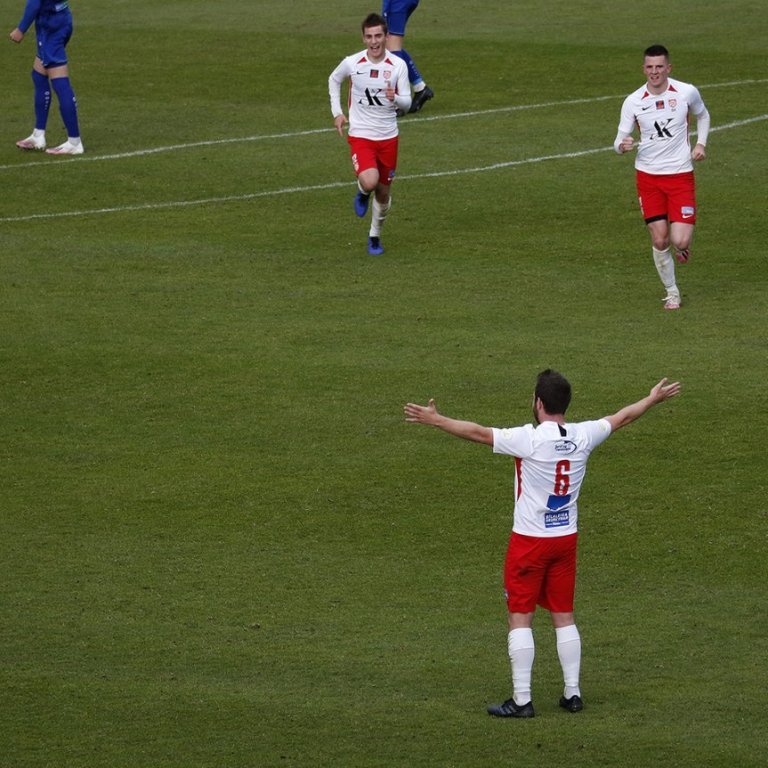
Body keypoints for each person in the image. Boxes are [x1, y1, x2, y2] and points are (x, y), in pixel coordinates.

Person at [404, 370, 681, 718]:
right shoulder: (584, 435)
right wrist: (652, 398)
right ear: (565, 403)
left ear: (538, 403)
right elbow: (623, 416)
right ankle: (573, 693)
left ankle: (522, 700)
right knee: (564, 615)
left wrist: (437, 420)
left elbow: (476, 432)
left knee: (520, 617)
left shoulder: (528, 440)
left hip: (529, 542)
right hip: (565, 540)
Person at [614, 44, 710, 310]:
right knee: (659, 239)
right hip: (648, 177)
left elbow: (703, 115)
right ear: (643, 69)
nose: (654, 72)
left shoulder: (686, 92)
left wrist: (701, 144)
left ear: (668, 68)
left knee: (680, 240)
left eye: (659, 67)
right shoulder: (633, 101)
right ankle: (672, 292)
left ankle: (682, 248)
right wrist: (622, 146)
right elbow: (618, 140)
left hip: (680, 175)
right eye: (649, 67)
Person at [328, 13, 411, 256]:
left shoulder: (398, 66)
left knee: (384, 194)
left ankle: (374, 236)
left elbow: (407, 103)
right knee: (370, 181)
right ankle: (363, 192)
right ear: (363, 39)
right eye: (369, 37)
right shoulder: (353, 63)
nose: (374, 41)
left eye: (378, 36)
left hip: (388, 138)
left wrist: (394, 98)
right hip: (362, 135)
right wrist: (337, 113)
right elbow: (334, 79)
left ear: (386, 37)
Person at [9, 0, 84, 155]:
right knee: (38, 74)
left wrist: (21, 29)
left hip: (51, 26)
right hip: (60, 17)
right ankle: (38, 135)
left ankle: (74, 142)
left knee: (60, 82)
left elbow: (34, 3)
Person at [382, 0, 433, 114]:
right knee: (391, 44)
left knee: (392, 47)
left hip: (397, 2)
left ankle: (398, 101)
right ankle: (420, 87)